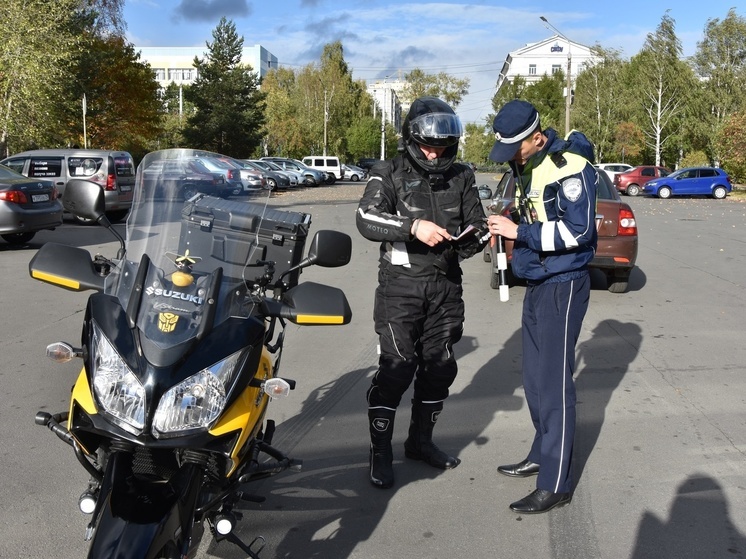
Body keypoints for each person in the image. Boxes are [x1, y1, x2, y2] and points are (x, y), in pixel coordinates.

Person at [356, 96, 487, 489]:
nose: (434, 154)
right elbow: (365, 218)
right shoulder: (389, 171)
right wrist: (413, 227)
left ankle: (420, 442)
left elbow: (476, 223)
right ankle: (380, 450)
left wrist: (476, 236)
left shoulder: (462, 176)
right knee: (397, 370)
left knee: (440, 368)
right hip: (401, 288)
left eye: (443, 147)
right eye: (428, 146)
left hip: (446, 287)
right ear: (412, 139)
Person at [486, 99, 597, 513]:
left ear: (536, 138)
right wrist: (504, 223)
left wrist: (522, 232)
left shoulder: (570, 166)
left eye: (515, 147)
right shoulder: (528, 164)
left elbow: (579, 231)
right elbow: (533, 213)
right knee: (534, 379)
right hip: (537, 279)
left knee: (554, 386)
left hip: (563, 283)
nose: (510, 156)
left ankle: (556, 481)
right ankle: (541, 451)